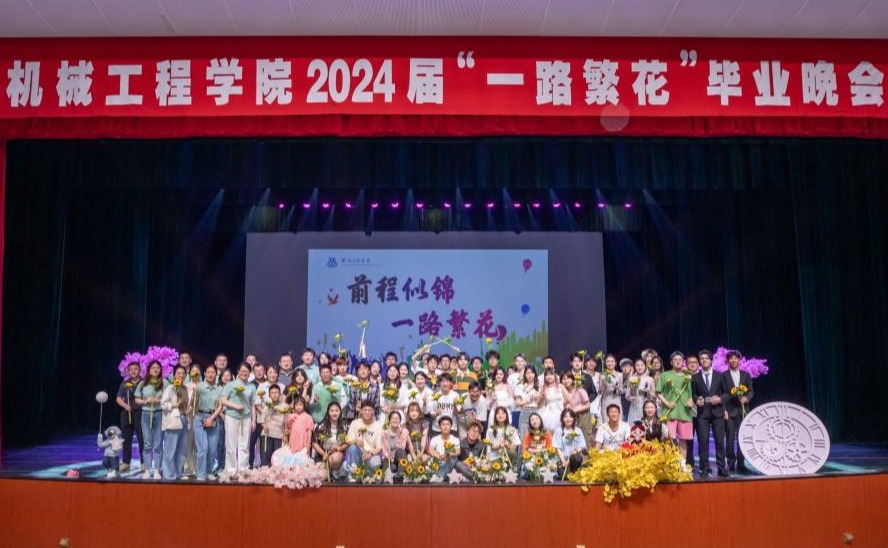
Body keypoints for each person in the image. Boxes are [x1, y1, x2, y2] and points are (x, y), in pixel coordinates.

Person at [692, 349, 728, 477]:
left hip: (717, 412)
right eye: (701, 359)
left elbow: (726, 393)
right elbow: (693, 394)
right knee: (703, 441)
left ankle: (721, 467)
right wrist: (697, 400)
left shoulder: (720, 376)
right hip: (702, 413)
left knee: (719, 441)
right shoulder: (695, 377)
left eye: (706, 358)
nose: (704, 360)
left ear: (711, 360)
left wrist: (720, 399)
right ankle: (704, 467)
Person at [219, 362, 257, 476]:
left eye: (247, 371)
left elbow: (252, 404)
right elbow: (223, 400)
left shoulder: (252, 387)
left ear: (250, 373)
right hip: (232, 416)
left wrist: (253, 420)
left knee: (244, 445)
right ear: (238, 371)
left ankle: (243, 469)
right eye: (242, 371)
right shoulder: (230, 384)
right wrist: (235, 406)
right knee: (231, 445)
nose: (244, 373)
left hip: (246, 418)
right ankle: (230, 470)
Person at [656, 351, 694, 462]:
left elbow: (690, 394)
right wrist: (667, 403)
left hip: (684, 413)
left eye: (680, 360)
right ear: (671, 362)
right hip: (669, 413)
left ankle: (682, 465)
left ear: (683, 362)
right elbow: (658, 392)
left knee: (683, 440)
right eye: (675, 360)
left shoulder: (688, 377)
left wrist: (691, 401)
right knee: (668, 439)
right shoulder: (665, 375)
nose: (678, 362)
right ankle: (669, 464)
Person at [134, 360, 167, 479]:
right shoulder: (143, 383)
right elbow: (137, 399)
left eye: (158, 367)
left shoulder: (164, 382)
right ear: (149, 369)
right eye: (153, 367)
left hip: (159, 414)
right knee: (147, 443)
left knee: (158, 444)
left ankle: (157, 469)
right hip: (146, 414)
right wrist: (145, 401)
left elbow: (169, 398)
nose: (155, 369)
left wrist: (159, 400)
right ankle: (147, 469)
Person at [724, 350, 754, 475]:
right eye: (731, 358)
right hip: (730, 411)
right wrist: (724, 410)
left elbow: (751, 391)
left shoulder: (746, 375)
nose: (733, 360)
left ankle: (741, 464)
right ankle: (731, 463)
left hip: (743, 411)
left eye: (735, 358)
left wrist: (746, 398)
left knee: (742, 438)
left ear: (739, 360)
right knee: (730, 439)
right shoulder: (724, 376)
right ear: (728, 361)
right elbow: (722, 394)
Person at [193, 364, 223, 481]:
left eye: (213, 372)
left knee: (212, 448)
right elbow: (193, 403)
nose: (210, 374)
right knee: (202, 448)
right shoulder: (199, 386)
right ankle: (200, 473)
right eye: (208, 372)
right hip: (200, 418)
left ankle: (209, 471)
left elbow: (220, 406)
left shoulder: (219, 389)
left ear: (216, 374)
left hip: (214, 418)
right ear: (204, 373)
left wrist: (211, 418)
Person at [160, 365, 190, 480]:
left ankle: (178, 472)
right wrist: (174, 404)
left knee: (182, 449)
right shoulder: (170, 388)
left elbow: (187, 404)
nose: (181, 375)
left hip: (184, 420)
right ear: (174, 375)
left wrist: (187, 410)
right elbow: (163, 404)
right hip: (173, 420)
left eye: (183, 373)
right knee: (170, 449)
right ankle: (168, 474)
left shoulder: (187, 388)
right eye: (178, 373)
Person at [115, 361, 144, 473]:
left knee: (142, 439)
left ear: (139, 370)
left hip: (140, 413)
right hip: (126, 414)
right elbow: (118, 398)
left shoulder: (143, 383)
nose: (133, 371)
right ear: (128, 371)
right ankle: (126, 462)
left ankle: (144, 463)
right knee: (126, 439)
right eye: (131, 369)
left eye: (135, 369)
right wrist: (125, 406)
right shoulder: (125, 383)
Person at [345, 400, 385, 475]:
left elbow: (379, 447)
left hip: (370, 455)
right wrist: (356, 441)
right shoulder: (354, 423)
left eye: (369, 410)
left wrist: (371, 454)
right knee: (352, 447)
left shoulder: (378, 427)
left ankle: (369, 475)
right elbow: (348, 441)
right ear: (361, 411)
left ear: (373, 412)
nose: (367, 412)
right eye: (365, 410)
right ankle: (353, 475)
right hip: (357, 454)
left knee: (376, 462)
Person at [312, 401, 349, 480]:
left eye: (337, 411)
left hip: (338, 456)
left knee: (335, 458)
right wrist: (323, 454)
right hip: (323, 456)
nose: (334, 413)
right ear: (328, 412)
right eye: (332, 411)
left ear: (340, 412)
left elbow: (348, 442)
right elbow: (314, 442)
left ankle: (336, 472)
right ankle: (330, 474)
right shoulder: (321, 426)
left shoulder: (345, 426)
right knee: (319, 476)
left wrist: (338, 448)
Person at [260, 384, 288, 466]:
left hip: (279, 435)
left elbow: (286, 423)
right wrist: (265, 426)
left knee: (277, 458)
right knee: (265, 456)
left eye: (276, 392)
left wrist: (285, 435)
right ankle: (264, 471)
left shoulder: (285, 407)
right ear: (269, 395)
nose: (275, 395)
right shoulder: (267, 406)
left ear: (280, 394)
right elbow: (262, 420)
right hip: (267, 435)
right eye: (272, 393)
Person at [552, 409, 587, 474]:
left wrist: (576, 451)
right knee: (563, 474)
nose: (568, 419)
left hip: (574, 458)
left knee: (577, 458)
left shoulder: (578, 430)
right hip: (563, 458)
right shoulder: (558, 430)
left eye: (570, 417)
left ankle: (575, 472)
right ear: (562, 419)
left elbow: (582, 445)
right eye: (565, 417)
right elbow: (558, 448)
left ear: (573, 418)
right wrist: (564, 461)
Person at [429, 373, 461, 437]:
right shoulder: (435, 396)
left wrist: (455, 405)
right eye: (443, 381)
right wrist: (435, 413)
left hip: (452, 428)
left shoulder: (455, 395)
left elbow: (456, 413)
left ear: (451, 383)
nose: (445, 384)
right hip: (437, 428)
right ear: (440, 383)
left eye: (447, 381)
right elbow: (431, 414)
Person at [627, 359, 656, 424]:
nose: (640, 367)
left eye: (642, 365)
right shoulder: (631, 379)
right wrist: (632, 398)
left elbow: (655, 396)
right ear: (634, 367)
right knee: (634, 426)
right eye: (637, 365)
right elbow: (627, 395)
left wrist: (649, 392)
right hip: (635, 406)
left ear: (645, 366)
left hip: (647, 407)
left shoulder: (650, 379)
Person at [514, 366, 540, 438]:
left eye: (532, 373)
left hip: (535, 412)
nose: (530, 375)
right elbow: (518, 403)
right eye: (527, 373)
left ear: (535, 374)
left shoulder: (539, 386)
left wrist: (538, 398)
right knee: (524, 437)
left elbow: (540, 403)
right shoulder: (520, 386)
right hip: (524, 411)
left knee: (536, 437)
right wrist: (528, 401)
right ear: (525, 375)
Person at [382, 411, 410, 475]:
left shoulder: (404, 432)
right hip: (388, 458)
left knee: (401, 452)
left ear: (400, 421)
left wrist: (398, 435)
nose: (395, 420)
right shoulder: (385, 433)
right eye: (393, 418)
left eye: (397, 418)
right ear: (389, 420)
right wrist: (386, 455)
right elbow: (383, 448)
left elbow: (401, 447)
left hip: (399, 457)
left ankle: (401, 475)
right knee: (387, 471)